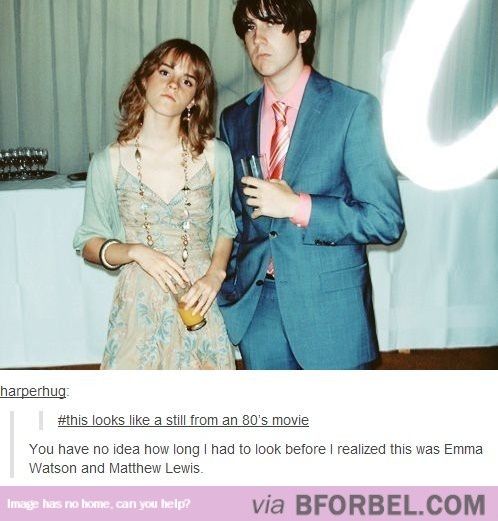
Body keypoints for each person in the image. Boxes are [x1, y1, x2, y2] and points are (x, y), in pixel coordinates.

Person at [218, 0, 405, 369]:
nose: (259, 38)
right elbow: (237, 219)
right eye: (250, 28)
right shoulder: (234, 118)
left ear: (304, 32)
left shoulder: (353, 109)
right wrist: (227, 287)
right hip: (259, 309)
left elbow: (385, 220)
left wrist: (297, 207)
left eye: (272, 25)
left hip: (330, 308)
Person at [74, 39, 237, 370]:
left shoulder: (216, 155)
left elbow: (224, 224)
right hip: (138, 307)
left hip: (197, 301)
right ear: (145, 79)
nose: (174, 84)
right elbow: (88, 242)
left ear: (194, 99)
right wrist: (134, 251)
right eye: (165, 72)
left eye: (188, 80)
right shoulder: (109, 162)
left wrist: (215, 276)